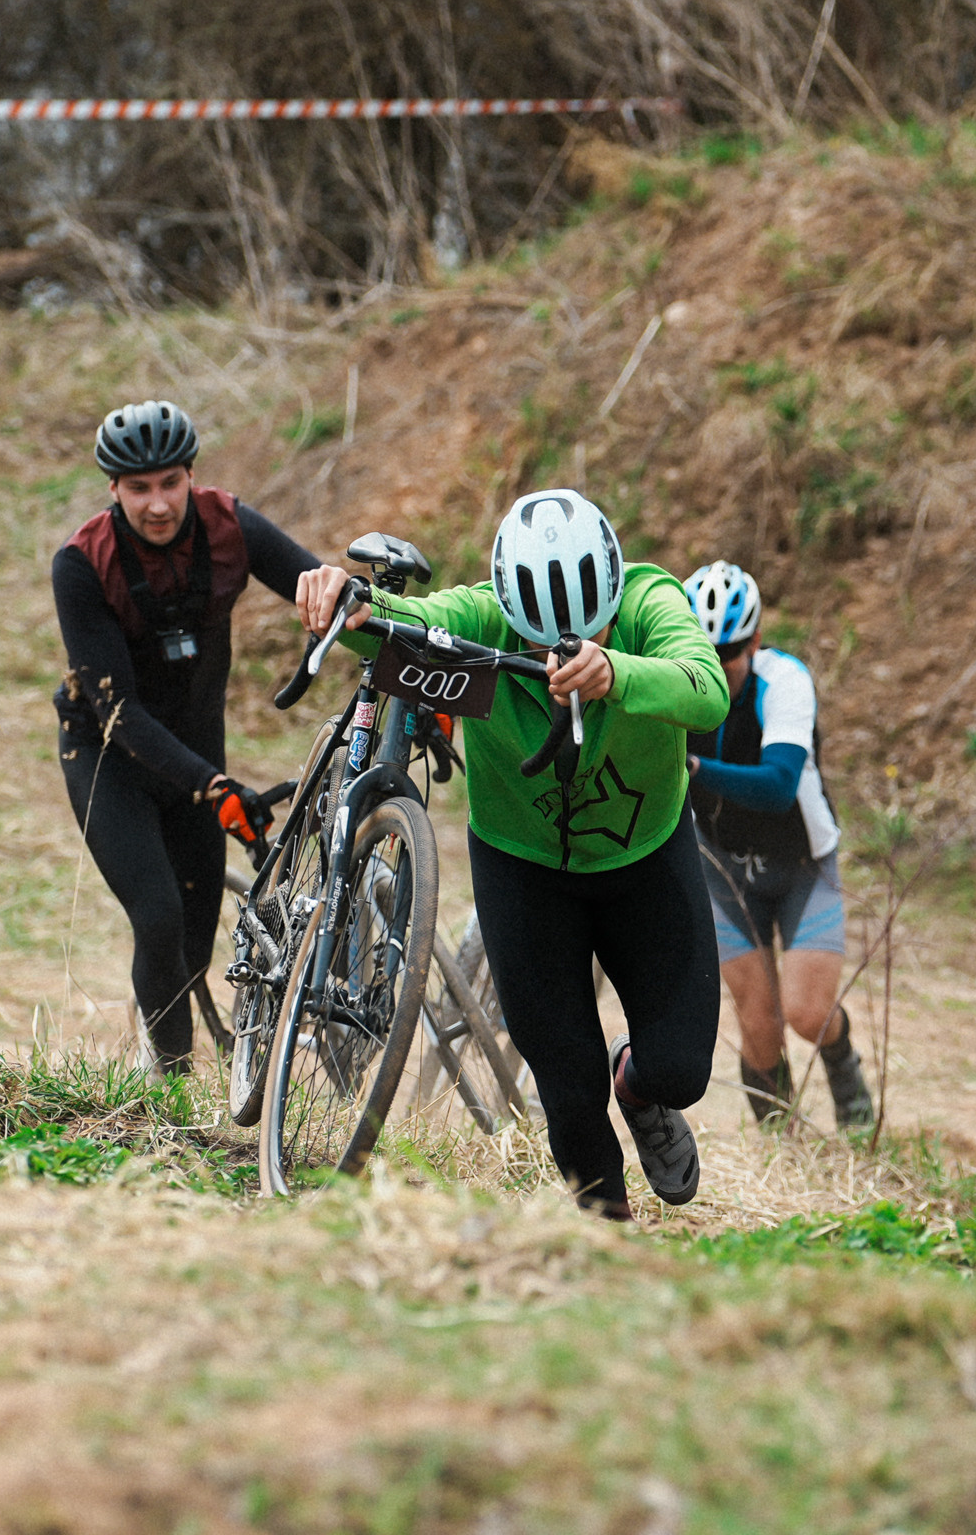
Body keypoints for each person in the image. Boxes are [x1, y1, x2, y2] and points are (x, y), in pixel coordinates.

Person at [301, 490, 729, 1220]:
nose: (552, 658)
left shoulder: (650, 599)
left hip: (647, 857)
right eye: (533, 643)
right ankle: (608, 1244)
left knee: (681, 1069)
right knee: (569, 1090)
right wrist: (347, 600)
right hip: (523, 871)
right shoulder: (481, 614)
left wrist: (616, 672)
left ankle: (640, 1088)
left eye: (580, 635)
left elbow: (708, 688)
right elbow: (409, 626)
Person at [52, 400, 352, 1075]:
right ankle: (170, 1090)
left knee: (191, 942)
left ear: (190, 476)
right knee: (156, 916)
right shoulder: (81, 564)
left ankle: (159, 1064)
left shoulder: (229, 526)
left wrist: (342, 589)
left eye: (170, 483)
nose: (157, 504)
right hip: (109, 755)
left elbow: (316, 583)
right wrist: (213, 786)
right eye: (139, 489)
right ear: (113, 490)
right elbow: (117, 709)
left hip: (194, 750)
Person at [679, 561, 872, 1129]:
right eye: (704, 654)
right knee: (759, 1026)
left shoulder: (784, 681)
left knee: (808, 1015)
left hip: (801, 867)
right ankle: (782, 1151)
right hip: (721, 870)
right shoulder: (677, 683)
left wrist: (692, 766)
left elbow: (778, 785)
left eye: (731, 653)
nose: (717, 668)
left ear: (756, 642)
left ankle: (845, 1074)